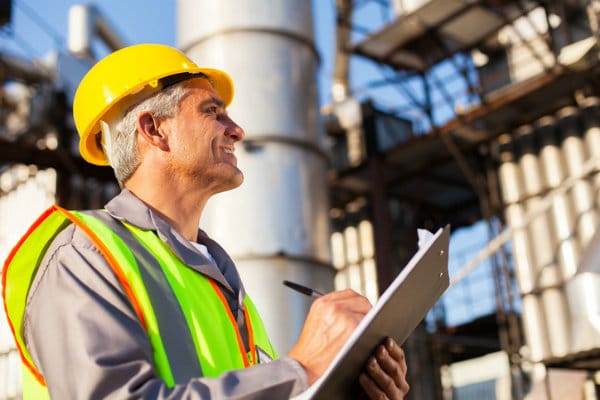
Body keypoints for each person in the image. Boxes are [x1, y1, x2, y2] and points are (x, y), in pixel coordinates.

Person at [3, 43, 410, 399]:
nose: (237, 130)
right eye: (213, 111)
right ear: (154, 130)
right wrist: (301, 370)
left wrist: (340, 388)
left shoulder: (223, 286)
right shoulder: (84, 258)